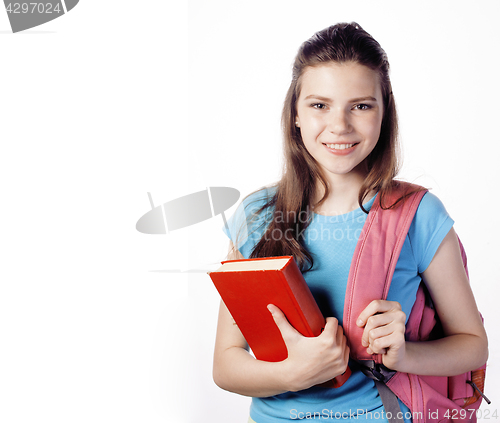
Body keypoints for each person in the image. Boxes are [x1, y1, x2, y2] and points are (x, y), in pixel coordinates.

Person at [212, 22, 488, 422]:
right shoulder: (256, 214)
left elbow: (472, 345)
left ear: (384, 112)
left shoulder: (418, 214)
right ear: (295, 114)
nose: (339, 125)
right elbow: (225, 364)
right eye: (319, 105)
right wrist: (295, 373)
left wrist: (406, 354)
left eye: (361, 105)